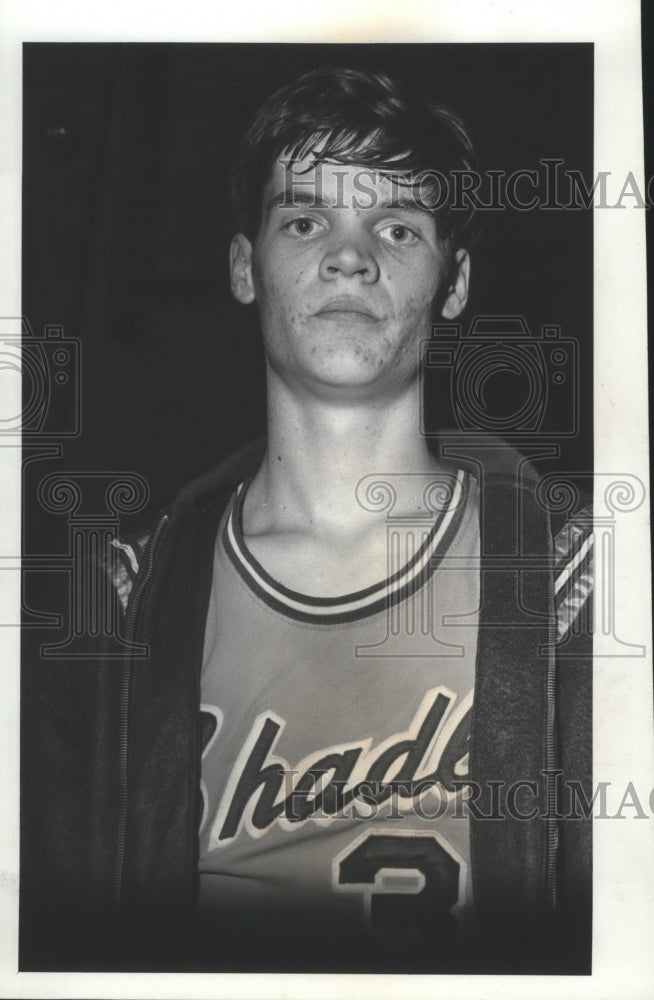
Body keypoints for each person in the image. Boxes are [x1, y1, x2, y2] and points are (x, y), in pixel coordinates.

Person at [21, 66, 592, 974]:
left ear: (455, 282)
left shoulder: (582, 582)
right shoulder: (118, 615)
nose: (350, 255)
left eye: (397, 226)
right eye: (304, 219)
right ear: (245, 266)